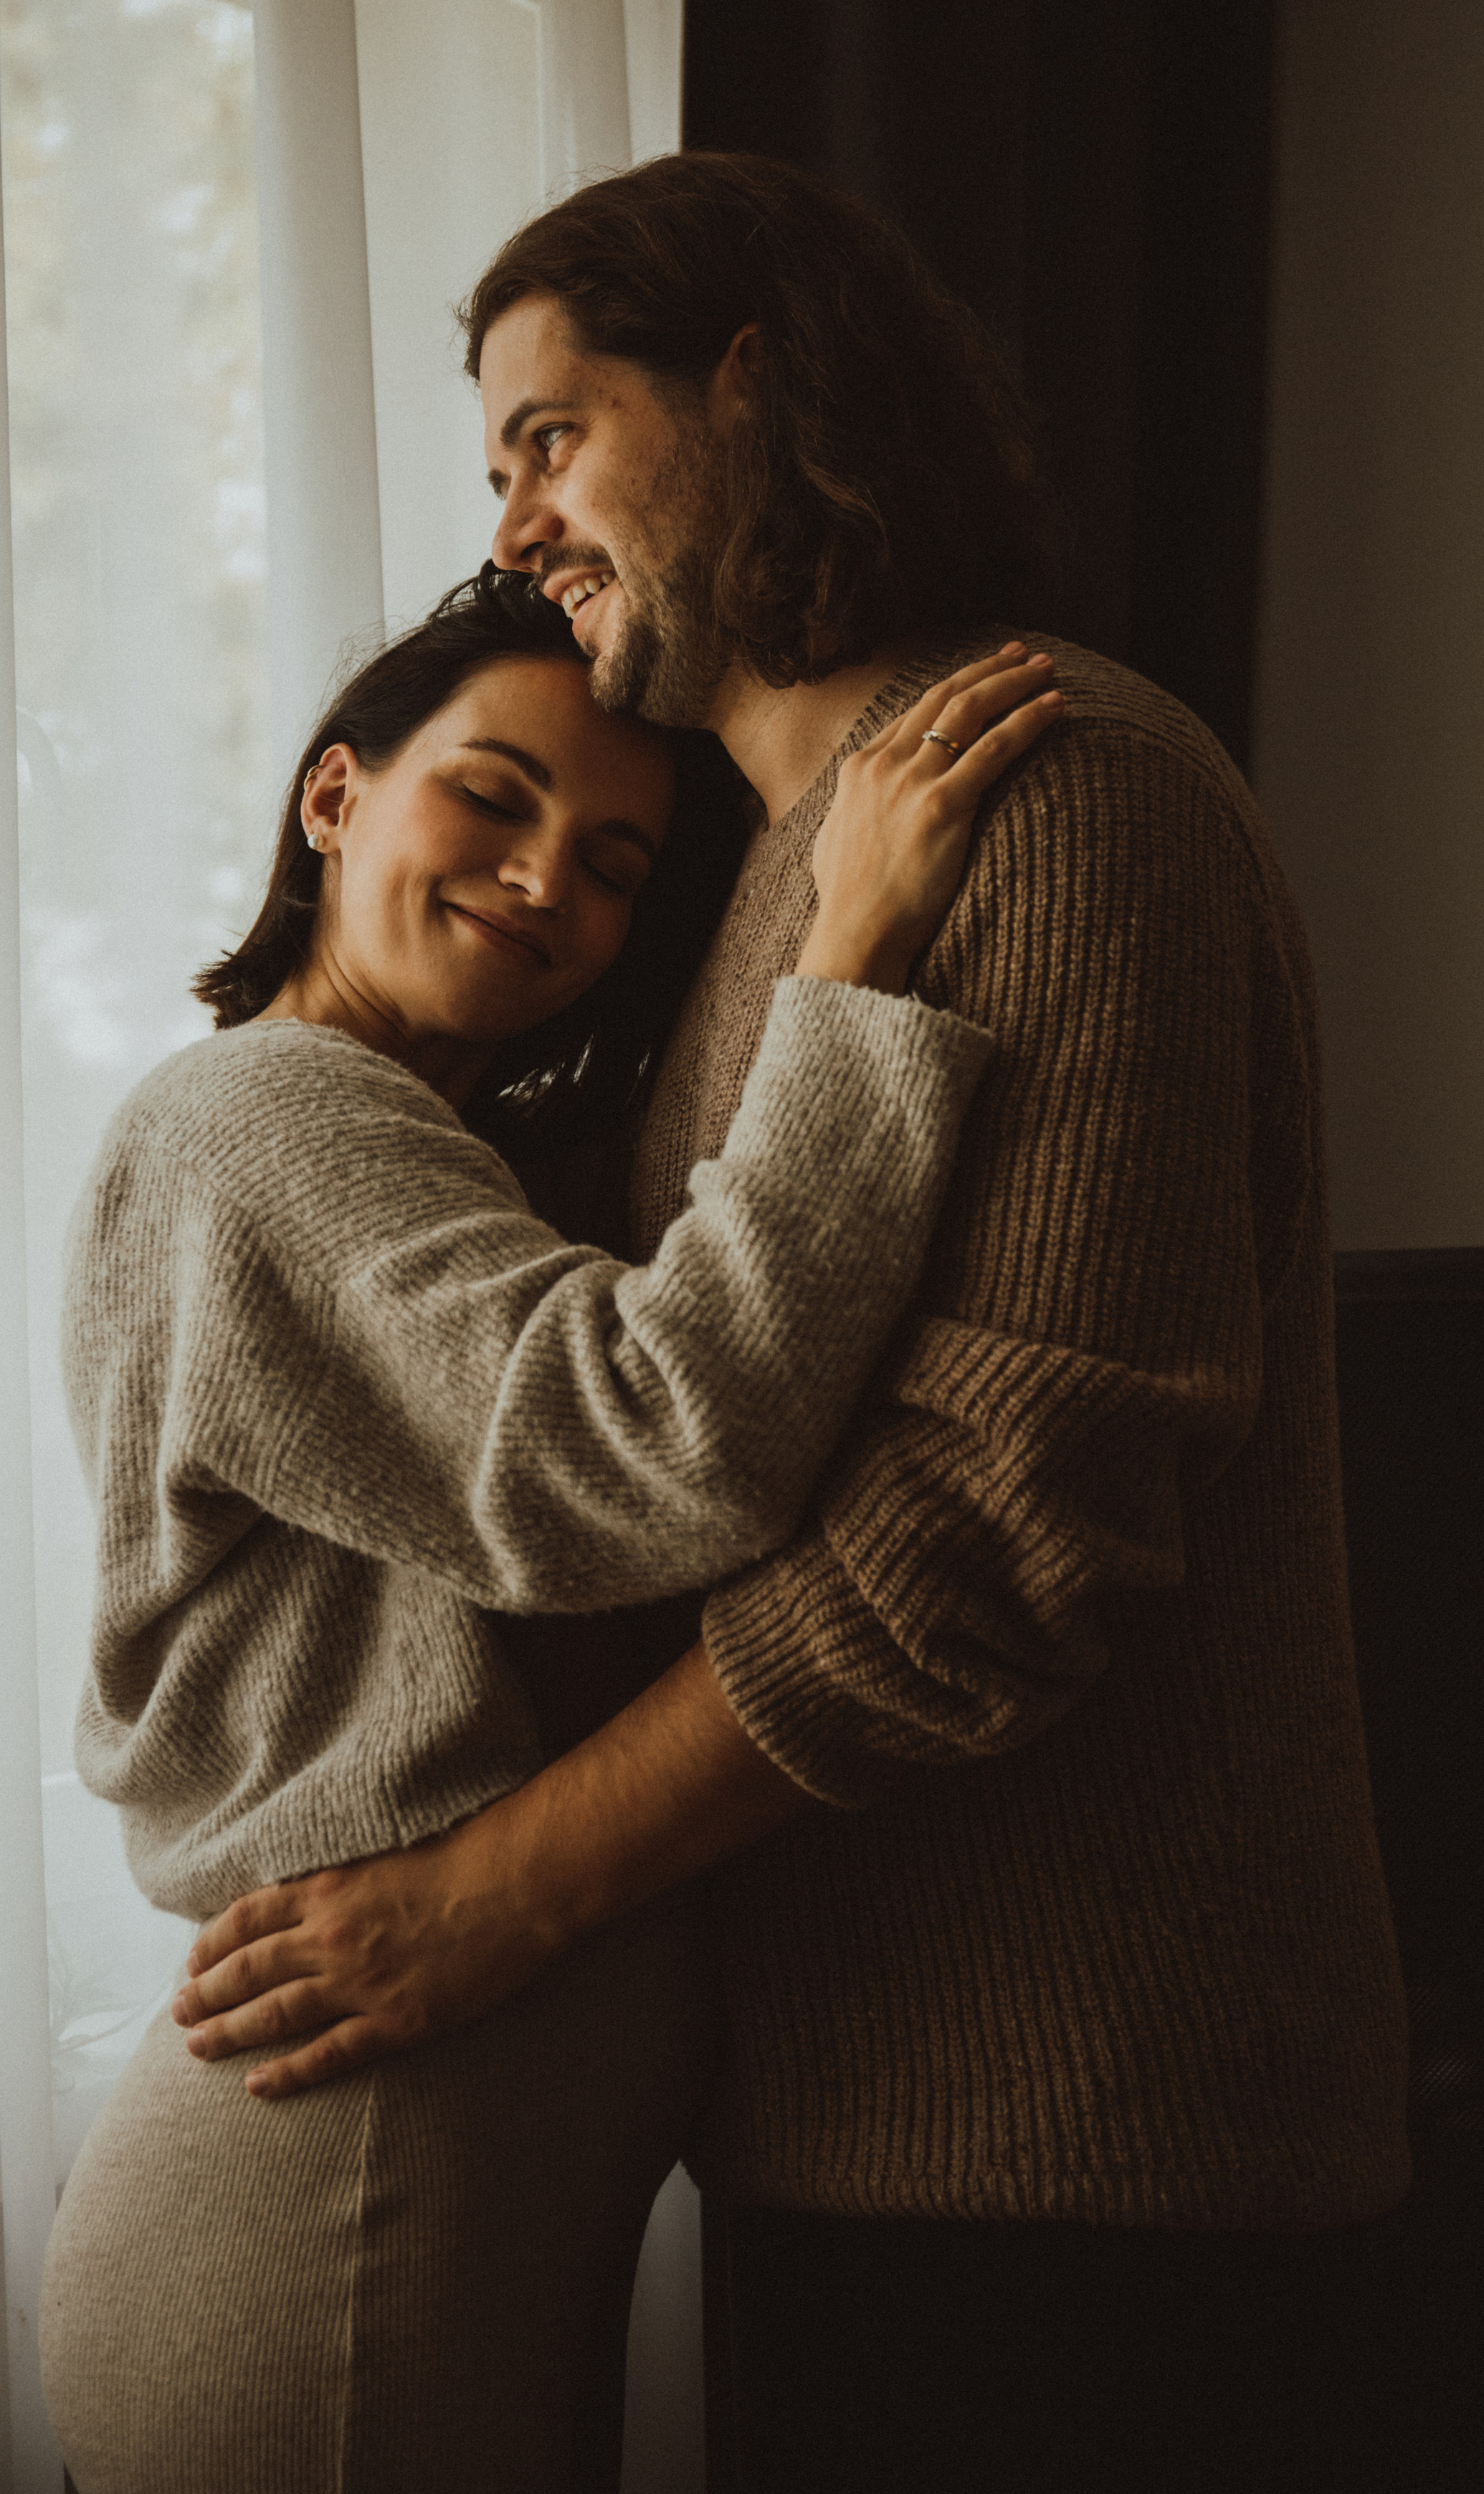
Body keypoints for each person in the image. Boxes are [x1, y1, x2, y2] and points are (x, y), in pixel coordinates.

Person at [173, 153, 1413, 2489]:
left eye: (553, 434)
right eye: (496, 469)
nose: (519, 518)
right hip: (848, 2113)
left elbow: (980, 1547)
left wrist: (485, 1904)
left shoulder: (1047, 790)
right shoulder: (781, 883)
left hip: (1093, 2157)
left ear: (752, 388)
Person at [37, 565, 1061, 2494]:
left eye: (608, 863)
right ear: (333, 799)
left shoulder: (428, 1163)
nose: (540, 885)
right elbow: (657, 1446)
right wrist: (849, 967)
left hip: (390, 2197)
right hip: (324, 2207)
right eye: (489, 799)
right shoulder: (267, 1120)